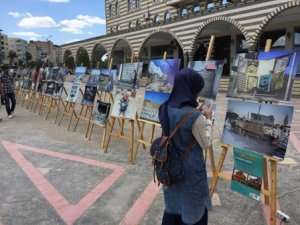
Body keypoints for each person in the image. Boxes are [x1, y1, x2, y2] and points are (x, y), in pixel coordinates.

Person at [158, 68, 213, 225]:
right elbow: (206, 143)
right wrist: (208, 120)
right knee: (193, 208)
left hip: (169, 165)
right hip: (190, 169)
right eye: (197, 90)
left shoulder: (165, 107)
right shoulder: (195, 116)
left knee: (173, 203)